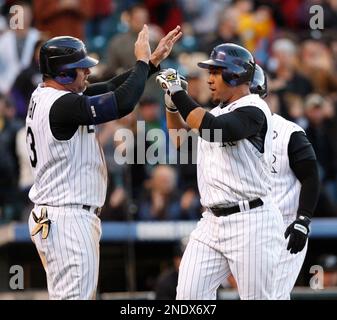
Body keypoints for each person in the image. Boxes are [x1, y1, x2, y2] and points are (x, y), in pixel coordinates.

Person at [26, 25, 182, 300]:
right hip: (67, 216)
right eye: (80, 67)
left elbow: (111, 87)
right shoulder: (61, 105)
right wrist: (141, 62)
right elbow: (121, 103)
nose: (87, 72)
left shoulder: (49, 95)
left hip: (59, 215)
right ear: (63, 73)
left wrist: (151, 63)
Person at [156, 43, 284, 300]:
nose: (209, 79)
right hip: (212, 222)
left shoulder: (254, 108)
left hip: (252, 220)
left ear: (235, 75)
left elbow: (211, 128)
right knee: (188, 297)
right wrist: (172, 107)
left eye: (216, 72)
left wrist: (178, 92)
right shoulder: (216, 112)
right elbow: (182, 142)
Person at [250, 64, 320, 299]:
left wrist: (303, 219)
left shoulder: (288, 131)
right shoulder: (230, 131)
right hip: (248, 229)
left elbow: (311, 175)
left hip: (284, 227)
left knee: (273, 296)